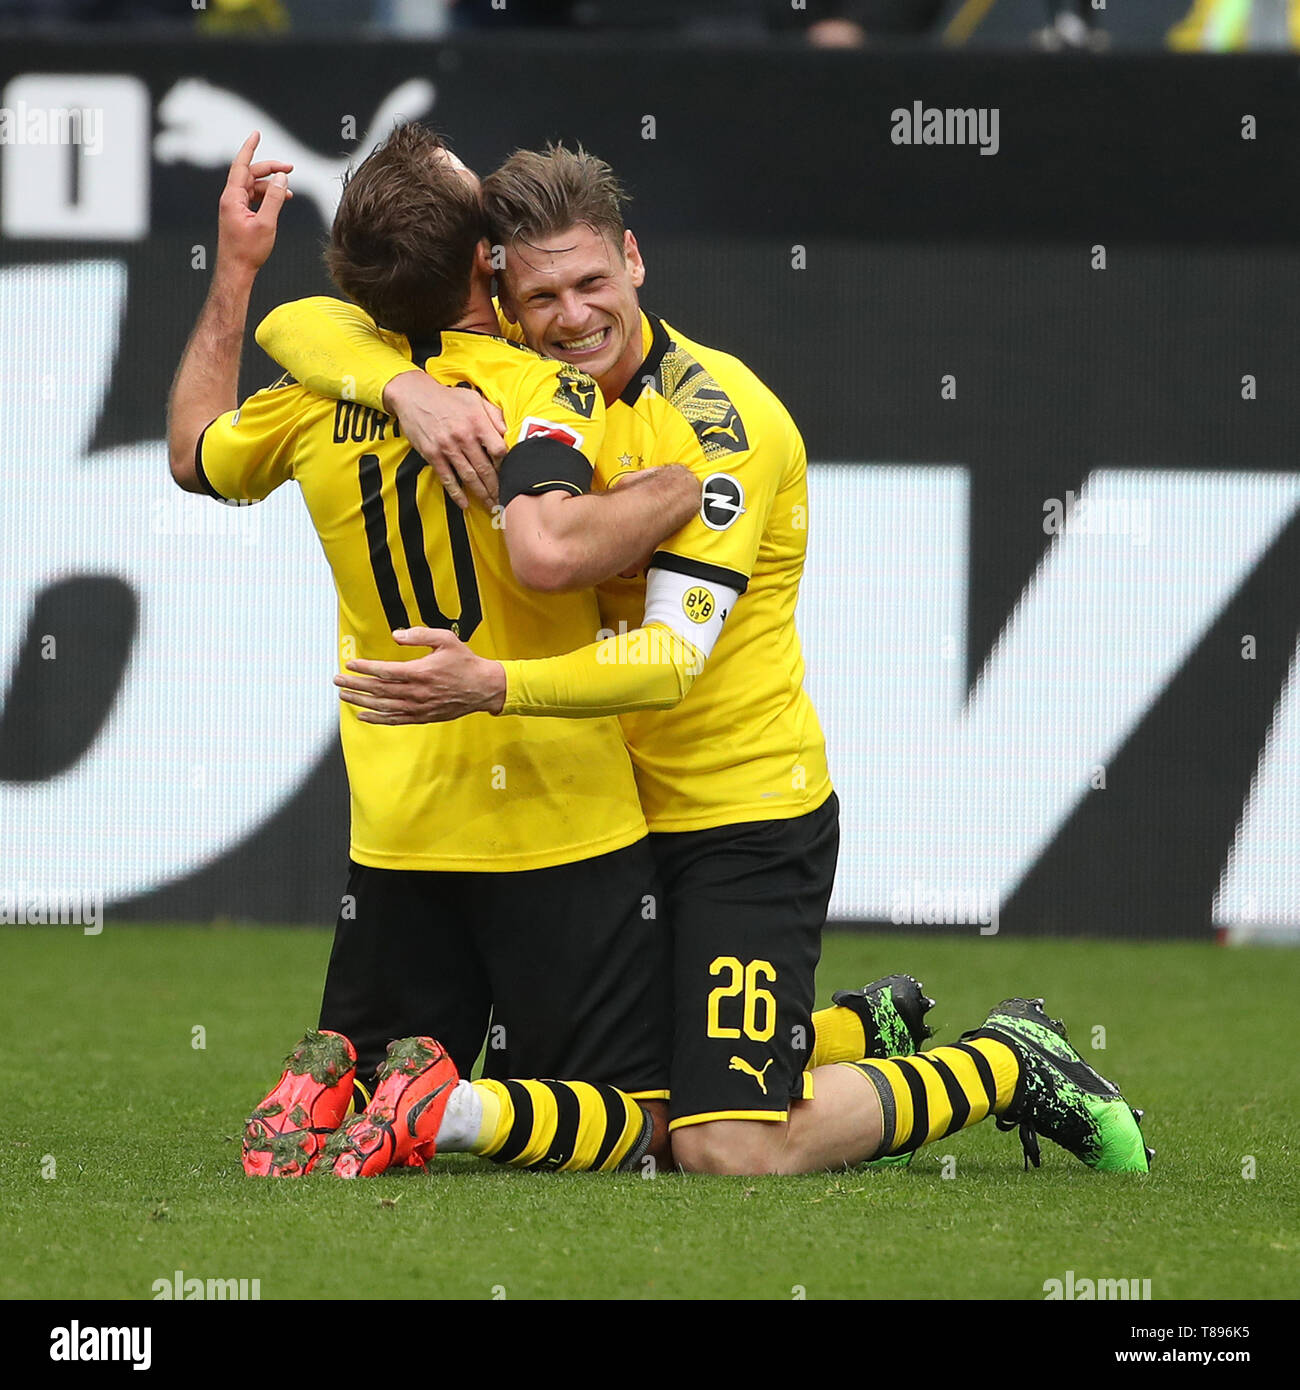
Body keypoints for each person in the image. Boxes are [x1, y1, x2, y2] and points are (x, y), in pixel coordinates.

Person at [257, 140, 1152, 1175]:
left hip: (739, 815)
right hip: (611, 820)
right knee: (591, 1099)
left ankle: (1004, 1061)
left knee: (719, 1144)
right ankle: (858, 1030)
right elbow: (305, 321)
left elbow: (668, 661)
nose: (571, 314)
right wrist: (400, 388)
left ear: (634, 260)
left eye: (592, 282)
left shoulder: (717, 428)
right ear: (499, 291)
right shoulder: (526, 369)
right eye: (539, 293)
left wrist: (492, 684)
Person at [167, 126, 704, 1178]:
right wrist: (675, 485)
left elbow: (192, 453)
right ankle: (444, 1107)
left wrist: (235, 270)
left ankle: (356, 1082)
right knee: (647, 1120)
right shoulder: (546, 391)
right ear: (483, 263)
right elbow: (573, 538)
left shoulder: (318, 399)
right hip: (559, 817)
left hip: (399, 824)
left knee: (390, 1083)